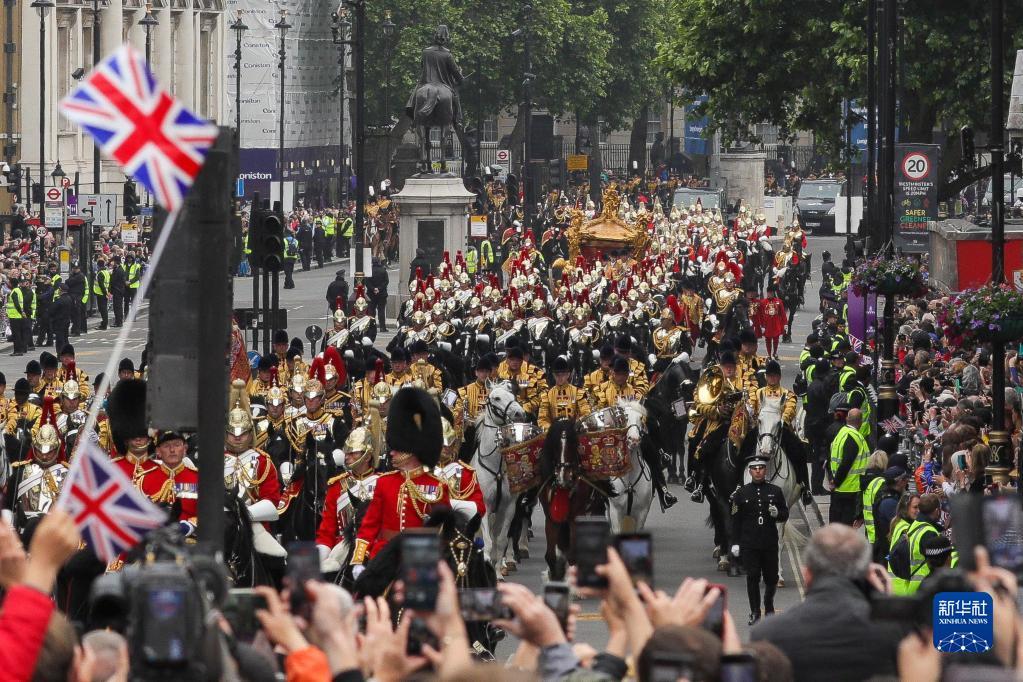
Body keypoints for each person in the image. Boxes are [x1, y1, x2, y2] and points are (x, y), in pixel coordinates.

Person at [752, 524, 902, 681]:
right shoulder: (893, 631)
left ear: (807, 576)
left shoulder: (767, 634)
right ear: (868, 575)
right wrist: (886, 602)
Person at [350, 388, 455, 578]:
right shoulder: (384, 483)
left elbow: (445, 531)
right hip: (385, 556)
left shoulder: (438, 486)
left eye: (397, 449)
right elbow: (369, 526)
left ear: (410, 450)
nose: (391, 453)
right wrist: (359, 560)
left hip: (421, 559)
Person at [732, 454, 789, 625]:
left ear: (765, 470)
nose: (758, 472)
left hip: (769, 542)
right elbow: (736, 521)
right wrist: (735, 544)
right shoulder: (741, 494)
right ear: (749, 471)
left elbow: (785, 514)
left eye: (761, 468)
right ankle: (755, 611)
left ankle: (768, 605)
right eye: (755, 469)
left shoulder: (775, 491)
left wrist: (777, 514)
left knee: (771, 578)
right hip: (750, 542)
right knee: (753, 576)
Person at [828, 407, 868, 525]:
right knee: (846, 527)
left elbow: (832, 458)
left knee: (835, 525)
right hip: (850, 489)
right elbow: (846, 462)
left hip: (838, 489)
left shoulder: (841, 433)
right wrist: (836, 481)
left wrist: (833, 480)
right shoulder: (854, 437)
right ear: (860, 421)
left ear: (847, 419)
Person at [48, 284, 75, 354]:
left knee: (60, 340)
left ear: (61, 290)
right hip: (67, 320)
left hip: (59, 322)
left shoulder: (59, 300)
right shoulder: (69, 299)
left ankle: (60, 354)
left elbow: (51, 310)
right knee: (65, 338)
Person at [368, 258, 389, 332]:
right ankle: (382, 327)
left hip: (371, 294)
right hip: (382, 293)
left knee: (371, 310)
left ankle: (371, 327)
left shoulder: (369, 271)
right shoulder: (383, 270)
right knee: (381, 311)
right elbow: (386, 281)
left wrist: (373, 288)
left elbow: (367, 282)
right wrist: (379, 288)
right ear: (379, 262)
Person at [65, 263, 86, 335]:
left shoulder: (80, 276)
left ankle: (77, 331)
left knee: (76, 314)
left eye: (75, 268)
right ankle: (74, 329)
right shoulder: (76, 275)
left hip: (76, 296)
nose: (73, 270)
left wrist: (69, 279)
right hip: (74, 296)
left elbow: (68, 281)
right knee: (73, 314)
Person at [92, 259, 110, 330]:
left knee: (102, 310)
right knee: (104, 309)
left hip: (101, 293)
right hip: (104, 293)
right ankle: (104, 323)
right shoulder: (106, 272)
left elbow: (101, 284)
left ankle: (104, 325)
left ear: (98, 265)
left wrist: (105, 293)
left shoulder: (100, 273)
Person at [110, 255, 126, 327]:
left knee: (117, 307)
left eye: (113, 261)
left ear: (116, 262)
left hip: (117, 290)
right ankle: (119, 321)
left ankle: (118, 322)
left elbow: (113, 281)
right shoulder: (119, 269)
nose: (112, 263)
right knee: (118, 307)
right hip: (119, 290)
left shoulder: (118, 270)